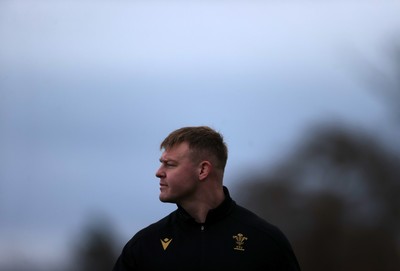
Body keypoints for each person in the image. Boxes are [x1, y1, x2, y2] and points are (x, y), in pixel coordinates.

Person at [112, 126, 301, 271]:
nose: (158, 173)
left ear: (202, 170)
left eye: (169, 165)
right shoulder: (144, 246)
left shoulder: (265, 241)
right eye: (161, 164)